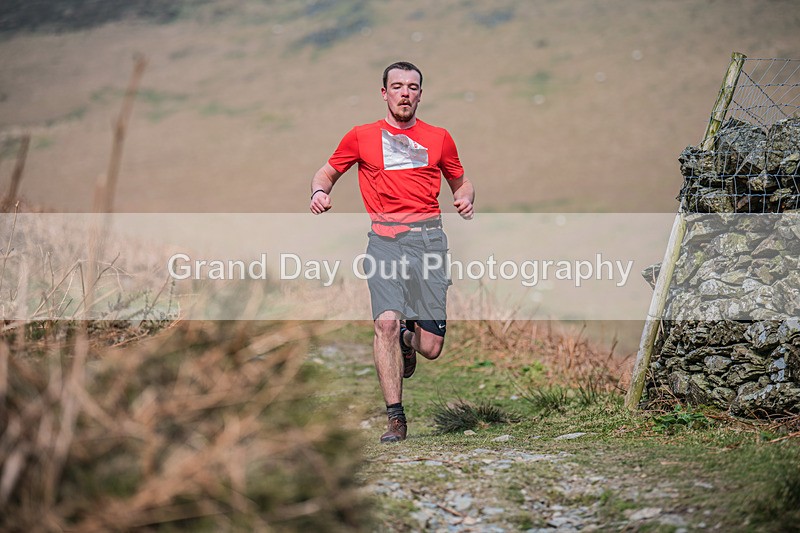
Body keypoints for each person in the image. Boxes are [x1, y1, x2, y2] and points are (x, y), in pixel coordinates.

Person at [309, 61, 475, 443]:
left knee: (430, 347)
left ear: (420, 93)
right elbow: (326, 173)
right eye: (397, 86)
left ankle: (408, 339)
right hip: (384, 242)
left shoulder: (439, 137)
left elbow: (462, 182)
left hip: (430, 242)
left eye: (412, 87)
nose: (405, 93)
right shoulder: (361, 136)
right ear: (384, 93)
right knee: (384, 322)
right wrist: (320, 192)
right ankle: (396, 418)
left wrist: (464, 200)